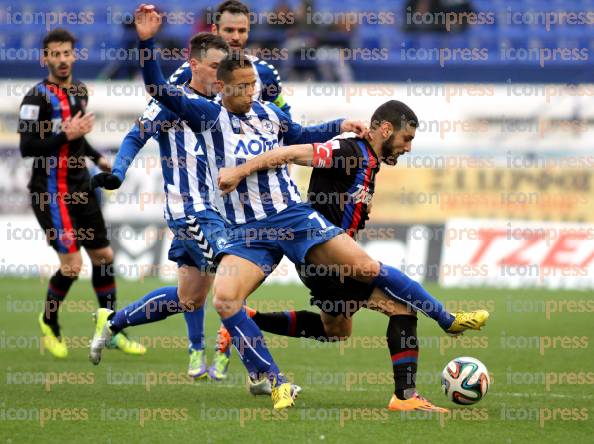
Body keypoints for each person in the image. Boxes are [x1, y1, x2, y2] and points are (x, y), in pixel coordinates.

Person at [217, 100, 490, 412]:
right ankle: (419, 371)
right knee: (400, 307)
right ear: (385, 130)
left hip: (323, 258)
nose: (408, 148)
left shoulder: (368, 161)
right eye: (406, 139)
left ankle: (249, 319)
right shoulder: (348, 151)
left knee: (336, 329)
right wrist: (239, 172)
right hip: (323, 254)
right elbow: (290, 153)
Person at [91, 32, 229, 379]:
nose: (220, 73)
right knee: (235, 275)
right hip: (190, 212)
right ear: (195, 63)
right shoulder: (173, 95)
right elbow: (137, 134)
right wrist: (119, 173)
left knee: (190, 297)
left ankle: (115, 321)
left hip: (219, 211)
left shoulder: (230, 98)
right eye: (215, 66)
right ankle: (265, 375)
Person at [17, 28, 144, 359]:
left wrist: (97, 156)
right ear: (45, 58)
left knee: (104, 258)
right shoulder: (36, 98)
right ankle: (49, 321)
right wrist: (65, 133)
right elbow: (27, 147)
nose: (61, 60)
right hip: (50, 191)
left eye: (66, 53)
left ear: (74, 56)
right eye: (54, 54)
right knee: (72, 266)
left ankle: (111, 328)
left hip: (81, 186)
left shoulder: (79, 91)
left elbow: (76, 138)